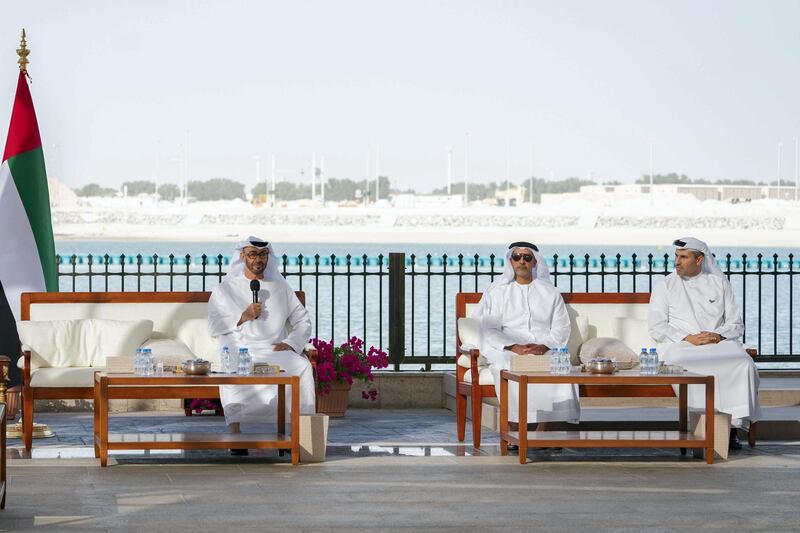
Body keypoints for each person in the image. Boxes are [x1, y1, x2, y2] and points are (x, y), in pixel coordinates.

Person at [648, 237, 762, 450]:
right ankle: (700, 426)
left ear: (700, 260)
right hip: (681, 345)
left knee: (743, 363)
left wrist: (717, 336)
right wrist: (687, 338)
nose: (677, 262)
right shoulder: (665, 285)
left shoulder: (719, 283)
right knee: (686, 364)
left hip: (718, 342)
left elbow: (736, 324)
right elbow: (657, 326)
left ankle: (732, 427)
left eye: (683, 257)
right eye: (676, 256)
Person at [208, 236, 315, 455]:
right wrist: (243, 316)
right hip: (241, 348)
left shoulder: (281, 287)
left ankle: (301, 433)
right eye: (253, 255)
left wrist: (291, 343)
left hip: (273, 349)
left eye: (263, 255)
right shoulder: (225, 289)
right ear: (242, 256)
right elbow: (214, 325)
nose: (258, 260)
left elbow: (302, 320)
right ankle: (236, 436)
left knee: (303, 367)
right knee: (232, 368)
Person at [475, 241, 579, 431]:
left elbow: (561, 329)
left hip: (544, 347)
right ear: (511, 262)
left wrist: (544, 347)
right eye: (517, 257)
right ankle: (515, 429)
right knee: (504, 366)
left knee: (560, 363)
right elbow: (490, 330)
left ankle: (544, 429)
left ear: (535, 263)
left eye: (527, 257)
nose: (521, 261)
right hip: (509, 349)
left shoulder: (551, 293)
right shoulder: (498, 293)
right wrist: (514, 347)